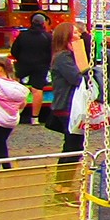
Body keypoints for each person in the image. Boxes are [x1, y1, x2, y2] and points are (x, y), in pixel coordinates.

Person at [47, 19, 92, 162]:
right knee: (72, 146)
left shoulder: (70, 55)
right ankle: (63, 181)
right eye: (75, 32)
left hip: (71, 104)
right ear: (67, 36)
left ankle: (66, 180)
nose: (79, 35)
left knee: (76, 144)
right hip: (68, 105)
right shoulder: (63, 57)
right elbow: (77, 78)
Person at [10, 12, 53, 126]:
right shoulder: (48, 37)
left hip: (23, 63)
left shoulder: (23, 35)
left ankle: (13, 113)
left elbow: (14, 50)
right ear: (43, 23)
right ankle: (35, 118)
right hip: (41, 66)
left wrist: (20, 58)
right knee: (37, 90)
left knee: (15, 85)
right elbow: (52, 52)